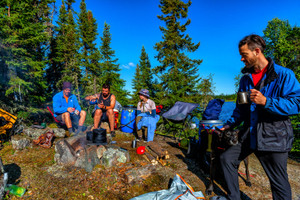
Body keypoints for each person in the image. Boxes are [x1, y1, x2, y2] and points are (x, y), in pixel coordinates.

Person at [220, 34, 300, 200]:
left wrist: (267, 102)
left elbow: (297, 103)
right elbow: (240, 109)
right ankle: (234, 197)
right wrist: (230, 124)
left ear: (257, 51)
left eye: (244, 55)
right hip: (250, 133)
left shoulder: (284, 74)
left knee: (278, 182)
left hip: (274, 136)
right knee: (227, 158)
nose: (241, 59)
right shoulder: (245, 80)